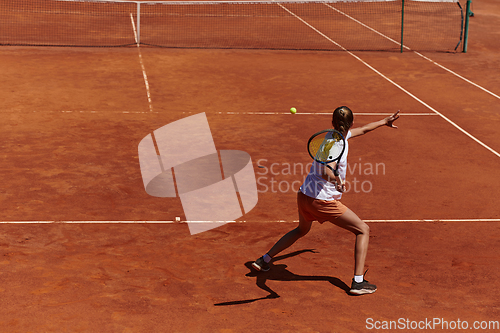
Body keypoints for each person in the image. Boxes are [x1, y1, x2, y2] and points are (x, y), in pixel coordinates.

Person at [252, 106, 400, 295]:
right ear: (351, 123)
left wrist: (383, 122)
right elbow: (326, 170)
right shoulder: (338, 144)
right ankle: (358, 282)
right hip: (322, 202)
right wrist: (338, 181)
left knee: (301, 230)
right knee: (363, 230)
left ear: (333, 123)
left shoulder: (333, 135)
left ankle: (263, 259)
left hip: (304, 195)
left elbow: (362, 130)